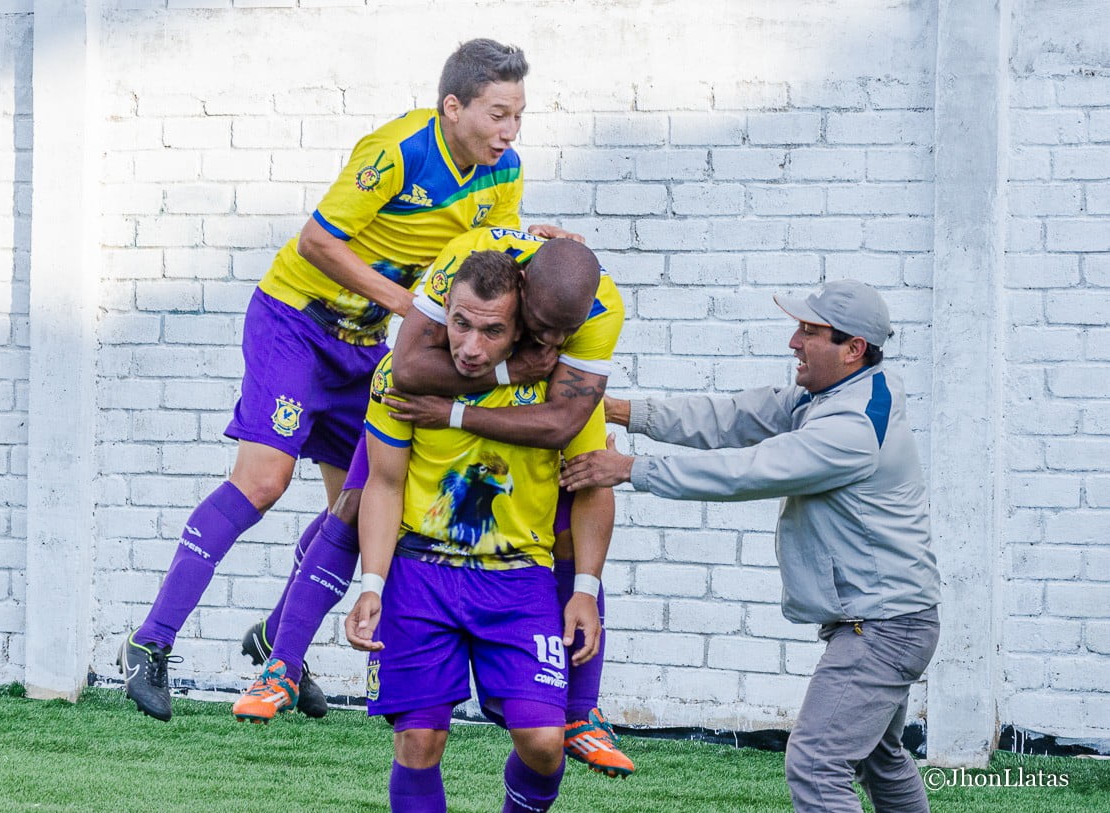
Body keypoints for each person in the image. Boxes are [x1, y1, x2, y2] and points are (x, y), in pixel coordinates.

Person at [118, 38, 570, 722]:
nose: (510, 131)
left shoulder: (503, 172)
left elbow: (491, 261)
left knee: (357, 511)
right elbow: (316, 241)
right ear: (453, 107)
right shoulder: (396, 152)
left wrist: (539, 253)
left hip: (362, 349)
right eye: (499, 114)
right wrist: (405, 308)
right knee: (263, 482)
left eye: (519, 116)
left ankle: (278, 641)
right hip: (295, 323)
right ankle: (148, 644)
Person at [234, 229, 636, 777]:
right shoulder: (463, 268)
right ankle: (283, 661)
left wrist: (467, 406)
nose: (551, 343)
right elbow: (406, 368)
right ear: (520, 289)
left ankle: (581, 711)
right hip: (424, 545)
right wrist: (506, 370)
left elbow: (564, 421)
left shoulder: (592, 317)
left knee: (579, 490)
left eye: (564, 332)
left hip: (514, 556)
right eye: (540, 327)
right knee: (355, 501)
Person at [559, 280, 942, 813]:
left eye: (810, 331)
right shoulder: (838, 394)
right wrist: (621, 410)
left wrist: (631, 469)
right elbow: (733, 418)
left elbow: (749, 470)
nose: (793, 341)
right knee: (881, 756)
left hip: (882, 627)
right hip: (891, 618)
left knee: (816, 763)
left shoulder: (851, 426)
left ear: (853, 348)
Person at [345, 250, 611, 812]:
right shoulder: (403, 376)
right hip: (421, 573)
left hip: (520, 581)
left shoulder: (564, 388)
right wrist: (371, 582)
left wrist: (585, 589)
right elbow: (385, 484)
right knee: (419, 738)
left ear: (523, 328)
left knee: (542, 743)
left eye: (492, 331)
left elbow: (592, 489)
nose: (470, 347)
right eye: (460, 324)